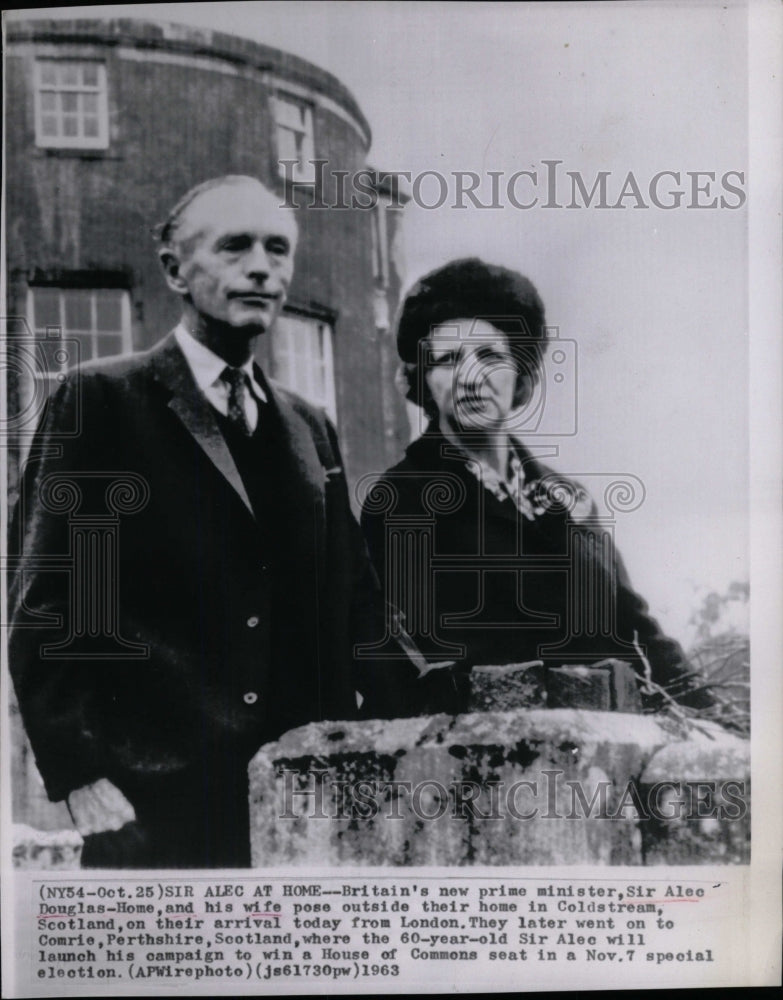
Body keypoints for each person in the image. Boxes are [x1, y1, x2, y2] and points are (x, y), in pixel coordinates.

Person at [8, 175, 398, 868]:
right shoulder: (101, 399)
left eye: (278, 250)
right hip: (151, 808)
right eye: (234, 246)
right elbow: (52, 598)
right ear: (174, 270)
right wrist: (80, 773)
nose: (261, 267)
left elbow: (359, 607)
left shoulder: (311, 428)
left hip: (300, 806)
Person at [360, 257, 713, 715]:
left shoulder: (567, 496)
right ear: (423, 381)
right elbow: (416, 659)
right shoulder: (400, 499)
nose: (471, 376)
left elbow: (635, 625)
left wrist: (708, 717)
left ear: (519, 372)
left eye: (490, 355)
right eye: (448, 359)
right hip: (496, 755)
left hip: (613, 739)